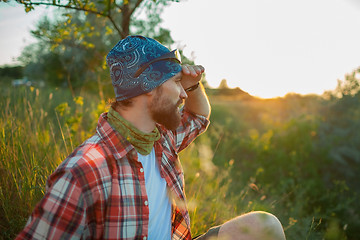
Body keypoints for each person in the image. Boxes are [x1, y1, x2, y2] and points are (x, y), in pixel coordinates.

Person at [16, 35, 286, 240]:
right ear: (148, 86)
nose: (183, 94)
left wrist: (193, 84)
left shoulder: (160, 138)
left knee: (265, 226)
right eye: (176, 83)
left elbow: (200, 116)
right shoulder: (83, 172)